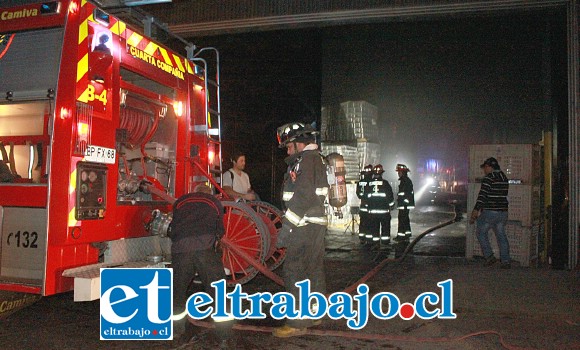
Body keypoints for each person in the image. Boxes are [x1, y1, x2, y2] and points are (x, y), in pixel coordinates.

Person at [273, 122, 329, 338]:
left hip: (303, 225)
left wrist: (287, 227)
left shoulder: (306, 160)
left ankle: (297, 323)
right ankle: (316, 313)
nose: (287, 151)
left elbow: (304, 195)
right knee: (313, 269)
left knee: (294, 271)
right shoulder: (316, 160)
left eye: (289, 146)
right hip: (314, 225)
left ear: (298, 144)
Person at [169, 184, 233, 347]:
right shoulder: (214, 202)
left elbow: (173, 226)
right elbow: (220, 230)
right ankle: (223, 337)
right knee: (218, 292)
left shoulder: (180, 201)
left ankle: (178, 334)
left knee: (178, 292)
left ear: (193, 192)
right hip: (205, 249)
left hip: (181, 250)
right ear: (209, 193)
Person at [469, 157, 511, 269]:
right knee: (501, 235)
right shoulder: (504, 177)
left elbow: (482, 195)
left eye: (485, 168)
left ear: (489, 167)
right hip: (503, 212)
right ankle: (506, 261)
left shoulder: (489, 178)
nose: (484, 170)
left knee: (480, 232)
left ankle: (489, 256)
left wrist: (476, 210)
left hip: (490, 212)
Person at [366, 164, 395, 247]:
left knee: (374, 228)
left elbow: (366, 197)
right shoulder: (385, 183)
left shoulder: (369, 184)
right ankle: (385, 243)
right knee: (385, 228)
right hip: (384, 212)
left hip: (372, 212)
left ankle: (375, 243)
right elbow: (390, 196)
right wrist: (392, 205)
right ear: (382, 173)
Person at [395, 164, 415, 241]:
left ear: (402, 172)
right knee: (404, 219)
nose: (398, 173)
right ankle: (406, 235)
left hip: (404, 205)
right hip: (404, 204)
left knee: (402, 219)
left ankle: (401, 236)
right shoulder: (405, 180)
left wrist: (404, 202)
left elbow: (407, 194)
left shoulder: (405, 181)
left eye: (399, 172)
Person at [356, 164, 373, 244]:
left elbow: (358, 194)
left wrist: (363, 197)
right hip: (370, 207)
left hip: (363, 207)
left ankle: (362, 238)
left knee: (363, 223)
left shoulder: (360, 182)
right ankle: (369, 240)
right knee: (370, 223)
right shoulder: (373, 182)